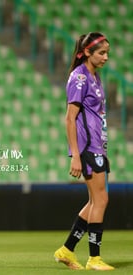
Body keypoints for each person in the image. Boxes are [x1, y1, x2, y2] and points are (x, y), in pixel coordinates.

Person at [54, 32, 114, 271]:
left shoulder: (94, 77)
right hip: (87, 147)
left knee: (94, 201)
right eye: (101, 52)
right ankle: (94, 258)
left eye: (107, 52)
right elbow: (70, 118)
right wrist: (76, 155)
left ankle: (66, 250)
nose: (106, 57)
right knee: (101, 199)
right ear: (87, 52)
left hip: (97, 145)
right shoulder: (79, 78)